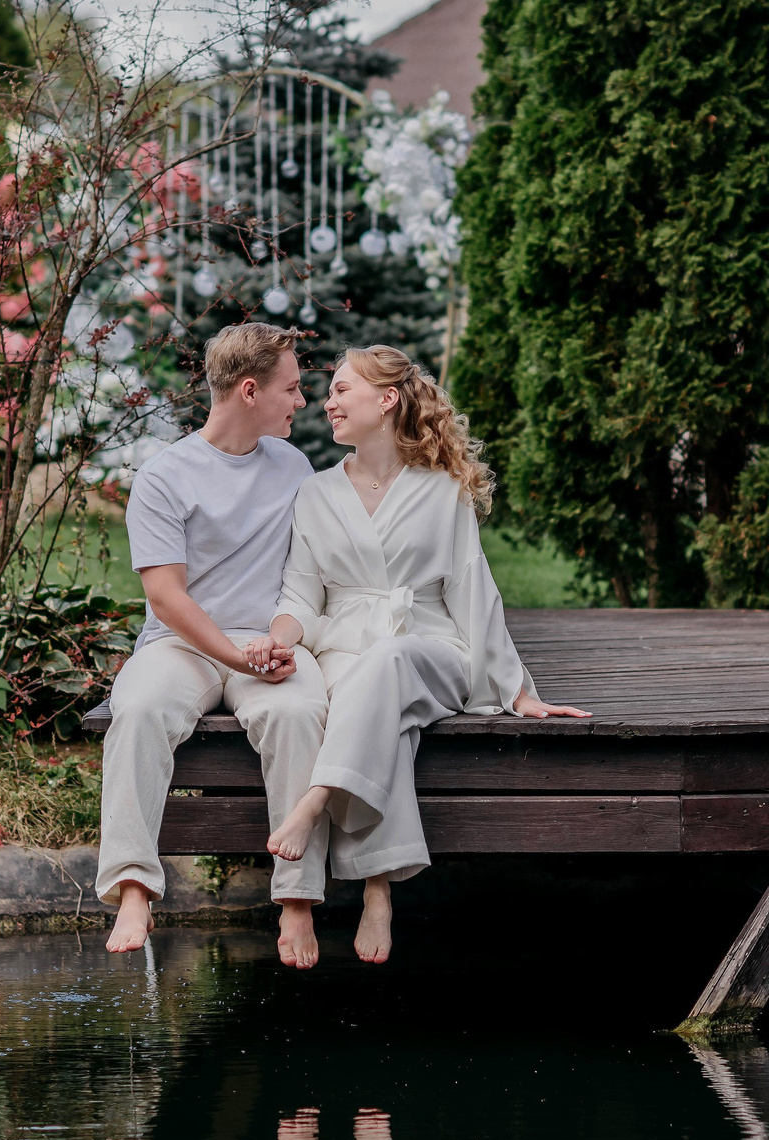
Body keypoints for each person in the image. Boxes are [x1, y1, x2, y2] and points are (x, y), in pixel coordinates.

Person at [262, 346, 585, 961]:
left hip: (433, 649)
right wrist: (277, 641)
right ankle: (379, 889)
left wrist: (517, 690)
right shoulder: (315, 494)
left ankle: (316, 800)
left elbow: (473, 589)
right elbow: (301, 596)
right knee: (382, 702)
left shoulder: (442, 491)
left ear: (385, 400)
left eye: (340, 389)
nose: (325, 402)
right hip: (346, 650)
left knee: (388, 663)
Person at [98, 322, 334, 968]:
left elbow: (306, 571)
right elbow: (168, 599)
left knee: (296, 712)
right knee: (140, 707)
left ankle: (296, 896)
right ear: (250, 390)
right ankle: (135, 884)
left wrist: (278, 642)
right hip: (183, 642)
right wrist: (234, 657)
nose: (302, 401)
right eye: (293, 388)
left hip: (267, 643)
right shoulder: (165, 476)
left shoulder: (292, 465)